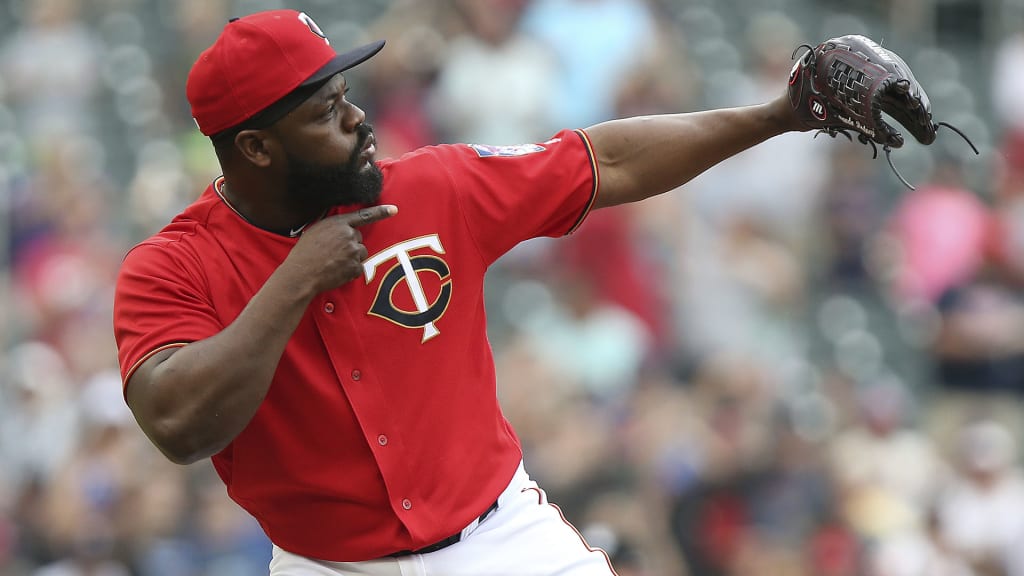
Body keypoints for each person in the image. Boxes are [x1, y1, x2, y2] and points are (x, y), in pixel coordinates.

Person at [112, 9, 809, 576]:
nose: (357, 122)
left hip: (504, 540)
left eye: (347, 97)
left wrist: (777, 116)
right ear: (257, 148)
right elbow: (176, 425)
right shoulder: (171, 268)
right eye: (325, 113)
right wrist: (294, 279)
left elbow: (608, 161)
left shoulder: (429, 186)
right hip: (330, 565)